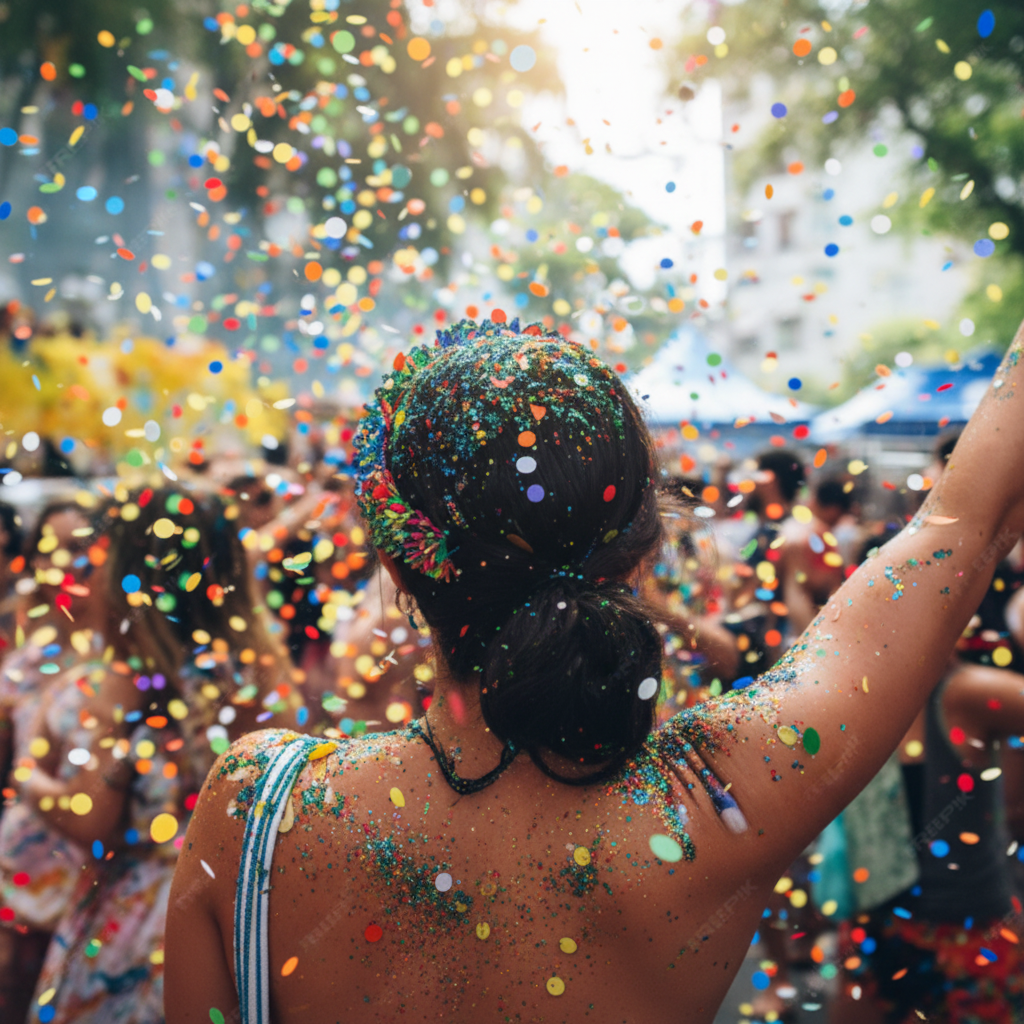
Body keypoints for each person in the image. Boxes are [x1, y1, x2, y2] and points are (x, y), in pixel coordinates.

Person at [166, 316, 1024, 1024]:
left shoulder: (257, 812)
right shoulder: (721, 801)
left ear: (396, 565)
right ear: (642, 550)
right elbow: (963, 524)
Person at [22, 489, 298, 1024]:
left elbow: (92, 820)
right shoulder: (256, 677)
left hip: (138, 929)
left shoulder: (122, 685)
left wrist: (28, 776)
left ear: (129, 578)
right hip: (239, 919)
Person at [0, 499, 100, 1023]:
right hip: (21, 875)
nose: (66, 564)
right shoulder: (22, 662)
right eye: (51, 550)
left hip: (94, 883)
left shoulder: (128, 664)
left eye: (80, 548)